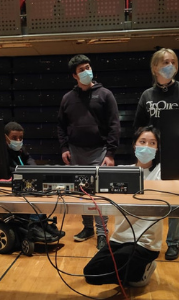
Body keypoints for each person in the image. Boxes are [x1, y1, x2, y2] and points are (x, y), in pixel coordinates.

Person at [133, 48, 179, 260]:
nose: (169, 65)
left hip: (177, 155)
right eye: (164, 62)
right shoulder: (147, 95)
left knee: (175, 201)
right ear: (155, 67)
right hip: (152, 156)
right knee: (148, 199)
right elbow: (139, 127)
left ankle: (174, 242)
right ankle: (144, 239)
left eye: (173, 61)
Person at [83, 126, 162, 287]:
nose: (146, 146)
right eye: (142, 141)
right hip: (119, 239)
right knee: (91, 273)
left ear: (157, 148)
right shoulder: (122, 172)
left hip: (145, 243)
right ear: (134, 145)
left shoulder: (163, 173)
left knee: (128, 275)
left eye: (152, 143)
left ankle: (141, 269)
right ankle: (135, 271)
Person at [57, 54, 121, 250]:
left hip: (100, 152)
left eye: (87, 67)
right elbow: (61, 126)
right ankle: (87, 228)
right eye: (81, 70)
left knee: (99, 195)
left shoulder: (105, 95)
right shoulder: (67, 98)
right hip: (76, 152)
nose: (86, 72)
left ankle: (102, 233)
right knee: (82, 194)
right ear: (74, 76)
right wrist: (64, 148)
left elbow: (114, 125)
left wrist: (110, 153)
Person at [4, 121, 65, 240]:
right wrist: (23, 171)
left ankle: (42, 223)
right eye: (14, 138)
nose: (18, 140)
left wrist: (33, 169)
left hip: (22, 179)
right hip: (9, 181)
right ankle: (34, 224)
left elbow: (29, 158)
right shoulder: (0, 152)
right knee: (31, 192)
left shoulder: (21, 149)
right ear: (5, 137)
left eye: (20, 138)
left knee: (39, 187)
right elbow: (6, 169)